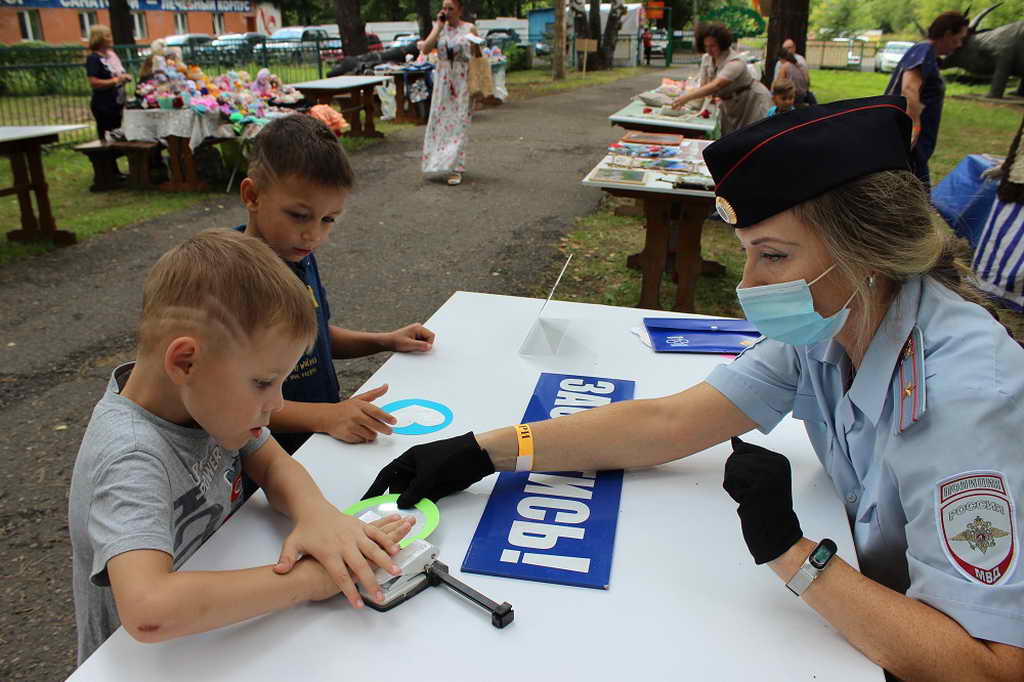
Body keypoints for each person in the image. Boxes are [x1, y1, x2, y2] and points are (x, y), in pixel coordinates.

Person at [363, 96, 1024, 680]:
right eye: (747, 254)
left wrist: (793, 554)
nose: (750, 286)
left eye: (774, 255)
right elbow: (671, 425)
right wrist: (484, 450)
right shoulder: (838, 316)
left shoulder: (964, 399)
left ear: (867, 251)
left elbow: (987, 666)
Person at [69, 229, 415, 664]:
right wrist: (310, 580)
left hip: (218, 637)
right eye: (263, 383)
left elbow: (272, 463)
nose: (277, 404)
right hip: (146, 664)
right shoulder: (131, 456)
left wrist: (318, 516)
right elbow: (149, 612)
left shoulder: (204, 402)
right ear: (185, 361)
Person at [237, 114, 435, 459]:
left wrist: (383, 340)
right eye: (299, 215)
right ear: (252, 195)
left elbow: (315, 337)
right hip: (264, 462)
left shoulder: (298, 254)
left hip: (320, 441)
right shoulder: (232, 278)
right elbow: (230, 398)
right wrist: (327, 415)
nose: (314, 235)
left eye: (328, 219)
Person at [885, 11, 969, 187]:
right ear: (947, 34)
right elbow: (909, 87)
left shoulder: (930, 55)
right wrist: (914, 126)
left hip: (916, 143)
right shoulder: (923, 50)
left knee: (908, 192)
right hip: (908, 138)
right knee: (914, 194)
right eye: (957, 39)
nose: (959, 45)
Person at [419, 0, 480, 186]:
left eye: (451, 9)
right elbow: (426, 48)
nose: (447, 12)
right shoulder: (440, 28)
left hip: (462, 80)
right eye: (444, 8)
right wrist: (438, 26)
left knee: (458, 124)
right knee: (440, 121)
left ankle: (456, 168)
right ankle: (437, 162)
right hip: (443, 80)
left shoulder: (470, 28)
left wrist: (475, 45)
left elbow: (478, 55)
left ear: (460, 10)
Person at [671, 22, 771, 135]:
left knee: (752, 137)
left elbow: (716, 85)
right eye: (706, 46)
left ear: (722, 44)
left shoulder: (736, 62)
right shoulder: (706, 59)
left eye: (713, 46)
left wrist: (686, 98)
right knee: (729, 138)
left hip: (752, 101)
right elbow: (704, 88)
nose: (709, 50)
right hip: (729, 103)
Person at [85, 25, 131, 176]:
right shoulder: (93, 59)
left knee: (118, 134)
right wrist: (116, 80)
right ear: (100, 38)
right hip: (103, 105)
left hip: (116, 102)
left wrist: (124, 78)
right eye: (108, 36)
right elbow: (94, 82)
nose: (111, 39)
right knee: (107, 137)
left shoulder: (111, 57)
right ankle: (109, 171)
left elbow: (117, 75)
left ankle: (115, 169)